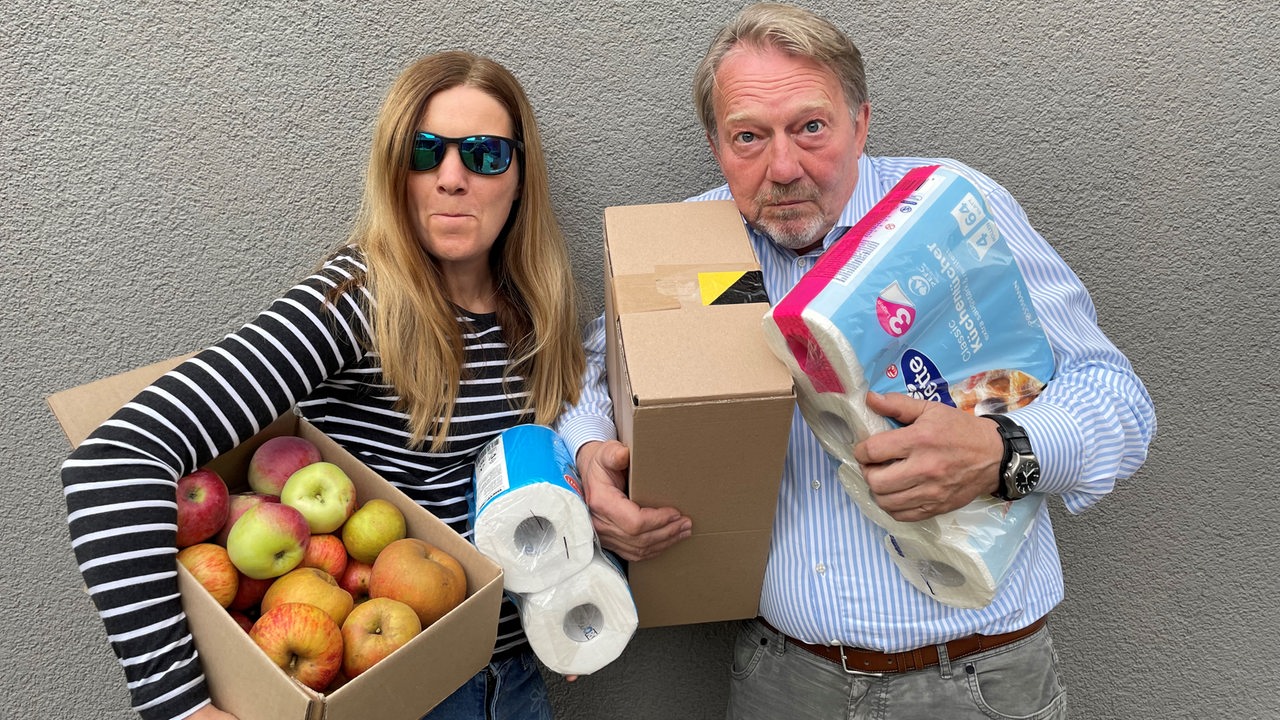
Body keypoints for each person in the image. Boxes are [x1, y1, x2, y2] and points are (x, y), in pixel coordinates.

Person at [555, 4, 1156, 719]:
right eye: (749, 136)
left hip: (979, 682)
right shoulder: (687, 243)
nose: (783, 167)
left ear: (861, 122)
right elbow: (593, 373)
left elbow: (1117, 396)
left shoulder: (954, 209)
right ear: (716, 145)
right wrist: (592, 454)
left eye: (811, 127)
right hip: (784, 681)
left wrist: (1002, 451)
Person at [61, 50, 585, 720]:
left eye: (484, 154)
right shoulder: (355, 300)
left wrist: (566, 591)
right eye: (424, 152)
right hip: (398, 692)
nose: (451, 178)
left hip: (516, 682)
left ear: (520, 175)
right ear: (396, 172)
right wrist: (178, 705)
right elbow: (111, 463)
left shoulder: (532, 308)